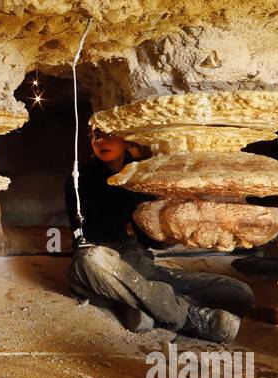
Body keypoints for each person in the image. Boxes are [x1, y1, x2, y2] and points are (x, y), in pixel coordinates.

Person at [65, 126, 253, 343]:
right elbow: (85, 232)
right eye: (96, 136)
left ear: (126, 140)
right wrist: (129, 225)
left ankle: (143, 307)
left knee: (240, 293)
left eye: (109, 134)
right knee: (90, 259)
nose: (101, 141)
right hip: (104, 264)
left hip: (142, 267)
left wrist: (169, 234)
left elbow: (149, 239)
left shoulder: (141, 175)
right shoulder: (80, 178)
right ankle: (190, 317)